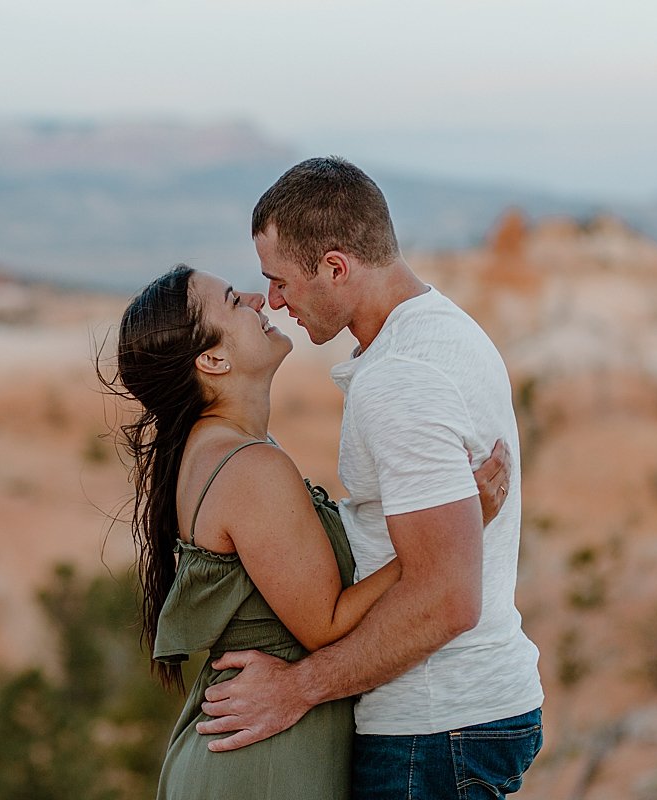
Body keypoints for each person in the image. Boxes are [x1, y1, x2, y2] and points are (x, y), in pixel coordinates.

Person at [194, 157, 545, 800]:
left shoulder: (400, 378)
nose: (273, 301)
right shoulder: (438, 332)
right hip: (455, 721)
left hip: (433, 729)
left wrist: (297, 689)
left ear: (334, 266)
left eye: (280, 281)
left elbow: (447, 598)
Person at [105, 264, 511, 799]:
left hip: (265, 744)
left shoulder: (226, 449)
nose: (256, 297)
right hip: (265, 763)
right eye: (232, 300)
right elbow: (327, 623)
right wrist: (455, 532)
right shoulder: (246, 465)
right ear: (213, 360)